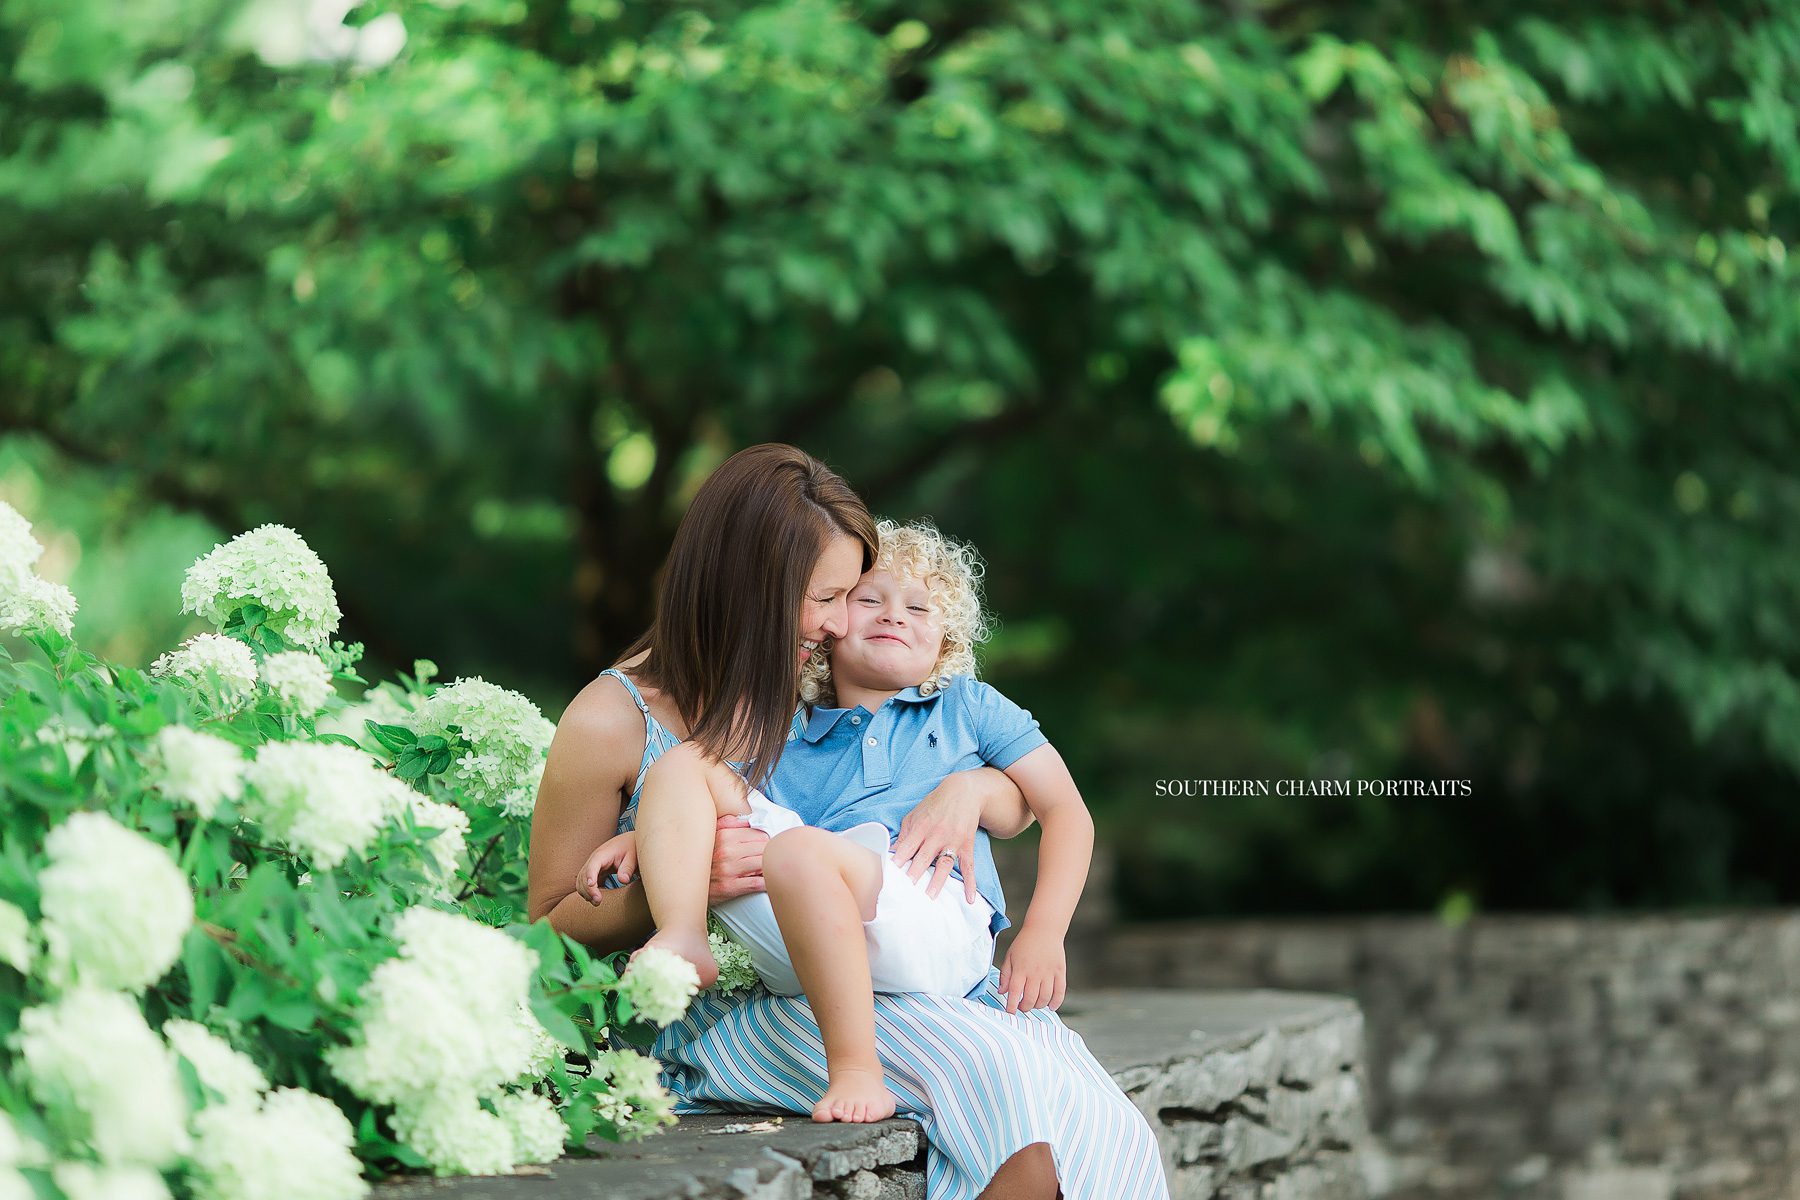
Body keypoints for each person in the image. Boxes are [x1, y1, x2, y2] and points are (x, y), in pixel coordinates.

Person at [528, 444, 1169, 1200]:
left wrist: (976, 785)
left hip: (861, 961)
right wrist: (685, 882)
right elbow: (544, 932)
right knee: (1001, 1081)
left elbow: (1020, 799)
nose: (840, 625)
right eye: (829, 598)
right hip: (729, 1010)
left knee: (1080, 1105)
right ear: (753, 587)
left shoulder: (792, 687)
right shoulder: (614, 718)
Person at [575, 520, 1095, 1124]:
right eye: (869, 600)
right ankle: (683, 937)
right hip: (809, 926)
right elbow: (704, 793)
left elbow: (1066, 812)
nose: (894, 615)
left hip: (925, 910)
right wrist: (642, 837)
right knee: (686, 763)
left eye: (919, 607)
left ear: (947, 642)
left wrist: (1044, 932)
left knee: (799, 851)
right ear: (828, 629)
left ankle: (857, 1073)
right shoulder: (786, 723)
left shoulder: (967, 705)